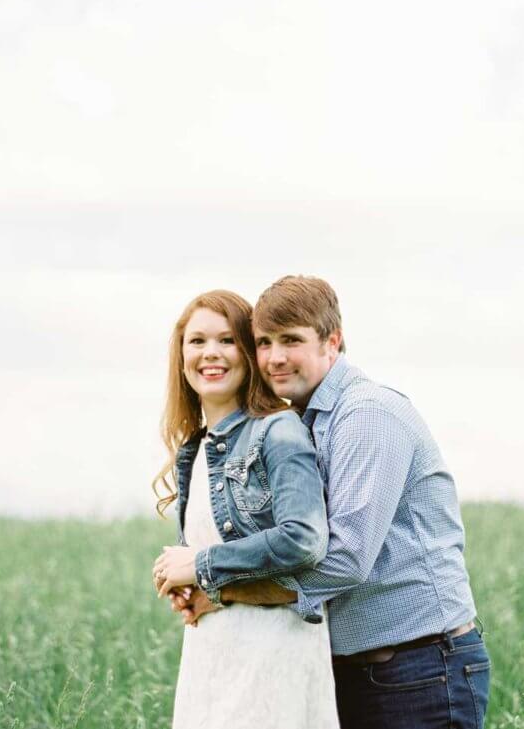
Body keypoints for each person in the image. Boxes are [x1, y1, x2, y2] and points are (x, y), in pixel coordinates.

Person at [173, 276, 491, 729]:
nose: (276, 357)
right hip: (353, 671)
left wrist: (222, 588)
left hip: (417, 671)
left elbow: (344, 560)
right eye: (264, 342)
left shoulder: (366, 415)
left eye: (292, 340)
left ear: (332, 341)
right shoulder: (303, 423)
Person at [150, 289, 341, 729]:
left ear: (249, 353)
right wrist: (191, 585)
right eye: (197, 341)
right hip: (210, 657)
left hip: (273, 658)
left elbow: (303, 539)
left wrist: (199, 565)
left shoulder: (279, 431)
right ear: (181, 357)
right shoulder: (193, 452)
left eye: (227, 340)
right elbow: (226, 569)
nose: (210, 353)